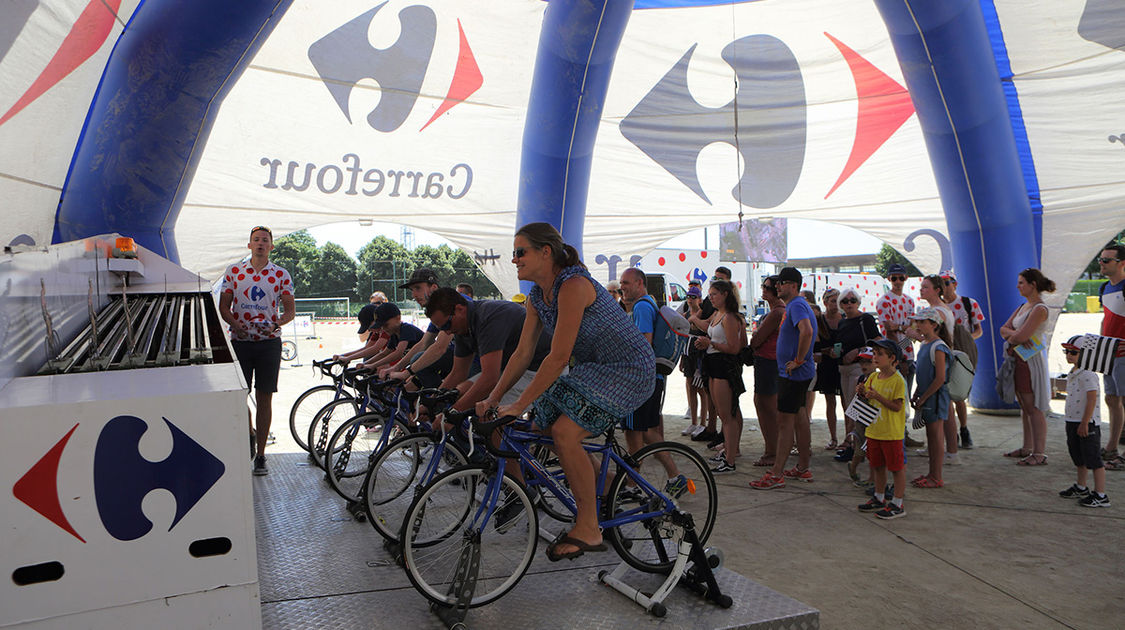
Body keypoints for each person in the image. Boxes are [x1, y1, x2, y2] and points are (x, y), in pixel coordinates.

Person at [477, 223, 654, 562]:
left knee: (564, 433)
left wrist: (519, 403)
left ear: (546, 252)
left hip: (629, 369)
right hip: (594, 370)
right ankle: (610, 483)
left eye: (520, 252)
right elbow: (523, 353)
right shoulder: (536, 296)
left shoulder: (573, 285)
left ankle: (588, 527)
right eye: (513, 253)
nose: (514, 260)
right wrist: (495, 398)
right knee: (540, 427)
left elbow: (558, 357)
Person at [218, 226, 295, 476]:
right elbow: (224, 307)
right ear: (249, 245)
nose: (260, 243)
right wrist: (236, 324)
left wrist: (277, 323)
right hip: (240, 341)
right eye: (256, 240)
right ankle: (248, 433)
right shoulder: (235, 271)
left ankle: (261, 454)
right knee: (239, 395)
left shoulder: (281, 274)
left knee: (265, 397)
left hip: (269, 342)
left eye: (265, 240)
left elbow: (289, 311)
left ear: (272, 246)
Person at [423, 287, 551, 412]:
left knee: (490, 414)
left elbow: (490, 379)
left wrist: (453, 413)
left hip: (540, 367)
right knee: (460, 392)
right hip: (512, 367)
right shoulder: (461, 325)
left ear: (459, 309)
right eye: (442, 329)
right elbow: (458, 373)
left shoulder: (487, 318)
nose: (447, 332)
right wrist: (432, 403)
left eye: (446, 325)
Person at [750, 267, 816, 489]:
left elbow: (806, 331)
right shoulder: (796, 305)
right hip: (796, 373)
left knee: (785, 422)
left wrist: (798, 359)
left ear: (794, 285)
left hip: (793, 373)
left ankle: (776, 473)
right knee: (799, 417)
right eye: (777, 283)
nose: (777, 286)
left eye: (782, 282)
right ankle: (802, 467)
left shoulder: (796, 304)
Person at [619, 268, 678, 468]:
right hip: (647, 377)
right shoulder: (648, 304)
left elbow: (644, 344)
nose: (622, 287)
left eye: (626, 283)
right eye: (622, 283)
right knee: (639, 431)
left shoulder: (642, 308)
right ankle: (635, 481)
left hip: (640, 379)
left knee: (639, 432)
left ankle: (668, 475)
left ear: (639, 283)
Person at [998, 268, 1054, 466]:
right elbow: (1004, 329)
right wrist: (1016, 336)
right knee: (1024, 405)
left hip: (1030, 361)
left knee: (1033, 407)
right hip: (1019, 358)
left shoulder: (1039, 308)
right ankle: (1028, 447)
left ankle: (1039, 452)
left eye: (1021, 282)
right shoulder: (1024, 306)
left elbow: (1019, 335)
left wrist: (1014, 336)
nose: (1018, 286)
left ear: (1033, 285)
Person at [689, 279, 747, 473]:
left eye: (714, 294)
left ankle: (730, 459)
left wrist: (710, 343)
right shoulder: (717, 314)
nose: (710, 298)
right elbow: (706, 327)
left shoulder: (730, 317)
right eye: (710, 294)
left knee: (727, 415)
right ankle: (730, 451)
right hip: (713, 365)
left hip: (724, 366)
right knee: (728, 411)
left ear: (725, 295)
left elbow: (734, 347)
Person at [856, 338, 908, 519]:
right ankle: (879, 497)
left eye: (880, 354)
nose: (874, 357)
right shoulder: (873, 377)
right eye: (874, 353)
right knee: (877, 465)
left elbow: (897, 406)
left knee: (896, 468)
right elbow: (869, 400)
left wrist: (877, 397)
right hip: (874, 430)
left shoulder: (897, 380)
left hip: (891, 433)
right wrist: (862, 392)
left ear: (892, 358)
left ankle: (898, 503)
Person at [1058, 335, 1110, 507]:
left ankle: (1101, 494)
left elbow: (1092, 398)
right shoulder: (1074, 372)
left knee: (1093, 459)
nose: (1069, 355)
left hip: (1086, 423)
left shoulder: (1088, 374)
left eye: (1074, 352)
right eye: (1067, 351)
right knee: (1078, 456)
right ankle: (1081, 487)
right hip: (1072, 420)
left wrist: (1085, 422)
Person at [875, 264, 924, 448]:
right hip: (895, 356)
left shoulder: (910, 301)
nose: (897, 282)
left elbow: (909, 328)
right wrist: (900, 357)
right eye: (894, 278)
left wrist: (901, 328)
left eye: (901, 278)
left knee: (904, 396)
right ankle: (896, 435)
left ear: (905, 279)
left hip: (907, 353)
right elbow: (889, 328)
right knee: (893, 396)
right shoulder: (883, 301)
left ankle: (902, 433)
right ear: (889, 279)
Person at [381, 269, 455, 387]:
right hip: (465, 355)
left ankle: (440, 402)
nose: (414, 295)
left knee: (419, 360)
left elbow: (440, 347)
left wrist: (406, 372)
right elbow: (424, 343)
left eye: (418, 288)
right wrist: (396, 368)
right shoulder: (437, 308)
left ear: (434, 288)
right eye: (412, 290)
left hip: (477, 358)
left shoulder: (447, 304)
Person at [835, 287, 881, 458]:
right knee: (849, 406)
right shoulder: (842, 322)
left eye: (852, 300)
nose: (849, 304)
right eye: (845, 301)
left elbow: (877, 341)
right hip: (843, 367)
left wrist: (858, 350)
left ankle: (856, 446)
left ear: (858, 302)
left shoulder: (866, 319)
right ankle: (852, 442)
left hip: (859, 367)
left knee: (857, 406)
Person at [940, 271, 983, 449]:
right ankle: (952, 434)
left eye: (948, 282)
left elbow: (979, 329)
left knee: (960, 393)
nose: (945, 286)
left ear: (955, 284)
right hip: (944, 351)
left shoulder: (968, 303)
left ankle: (964, 429)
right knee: (945, 393)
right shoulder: (938, 306)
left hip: (963, 351)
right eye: (941, 283)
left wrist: (967, 340)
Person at [910, 307, 951, 488]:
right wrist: (918, 392)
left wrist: (924, 397)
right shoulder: (925, 344)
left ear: (934, 325)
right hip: (928, 397)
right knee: (931, 438)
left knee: (936, 438)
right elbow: (924, 374)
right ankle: (931, 473)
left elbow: (940, 378)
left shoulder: (938, 346)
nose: (918, 325)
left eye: (923, 322)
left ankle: (936, 476)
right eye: (918, 321)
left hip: (935, 398)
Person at [748, 275, 784, 468]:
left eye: (767, 287)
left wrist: (755, 339)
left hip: (768, 362)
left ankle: (772, 451)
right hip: (771, 362)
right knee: (767, 406)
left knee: (766, 407)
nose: (763, 290)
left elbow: (757, 339)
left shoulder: (776, 312)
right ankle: (774, 449)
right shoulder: (777, 311)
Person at [1096, 243, 1125, 470]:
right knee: (1112, 399)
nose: (1101, 263)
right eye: (1101, 259)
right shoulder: (1104, 287)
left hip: (1122, 353)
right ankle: (1112, 447)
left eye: (1107, 260)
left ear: (1122, 263)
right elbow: (1106, 320)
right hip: (1108, 352)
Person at [678, 282, 713, 437]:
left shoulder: (702, 314)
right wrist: (680, 359)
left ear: (699, 299)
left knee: (701, 389)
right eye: (688, 296)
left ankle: (702, 423)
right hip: (687, 353)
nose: (690, 299)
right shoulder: (686, 315)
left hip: (698, 354)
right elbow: (682, 338)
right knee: (690, 387)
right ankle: (693, 421)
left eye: (693, 297)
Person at [361, 303, 426, 372]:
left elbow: (398, 353)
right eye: (381, 326)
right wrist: (365, 364)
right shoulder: (394, 334)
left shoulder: (407, 329)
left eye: (386, 325)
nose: (383, 329)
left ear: (398, 318)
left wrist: (373, 365)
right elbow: (384, 353)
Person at [815, 288, 843, 450]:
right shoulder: (820, 321)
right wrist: (827, 351)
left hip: (842, 364)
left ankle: (849, 437)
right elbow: (816, 346)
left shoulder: (844, 320)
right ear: (825, 303)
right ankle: (833, 437)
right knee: (830, 402)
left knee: (847, 402)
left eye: (838, 301)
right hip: (826, 364)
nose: (836, 305)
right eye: (833, 301)